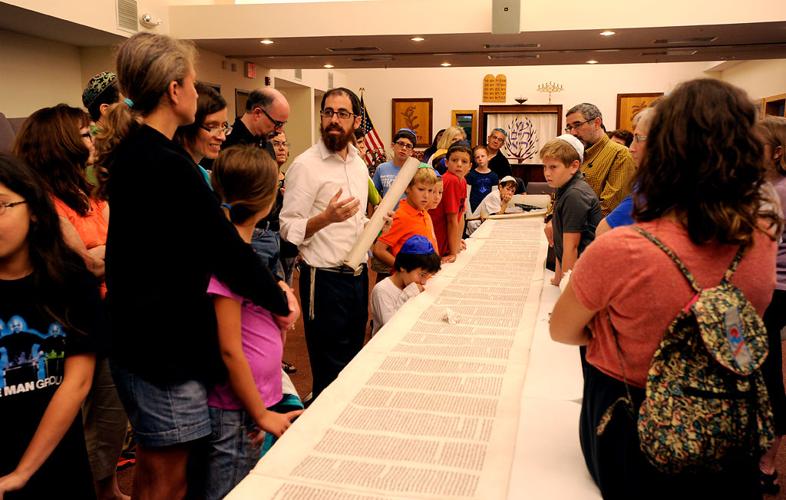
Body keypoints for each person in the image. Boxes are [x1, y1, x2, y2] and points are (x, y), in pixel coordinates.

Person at [550, 78, 780, 499]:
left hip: (633, 412)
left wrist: (617, 331)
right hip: (728, 412)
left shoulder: (623, 247)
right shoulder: (762, 233)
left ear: (662, 151)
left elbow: (563, 330)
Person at [95, 32, 296, 498]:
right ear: (173, 90)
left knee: (157, 468)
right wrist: (277, 298)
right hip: (159, 347)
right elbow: (222, 248)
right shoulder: (164, 161)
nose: (195, 89)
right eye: (191, 80)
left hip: (143, 338)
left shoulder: (144, 151)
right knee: (168, 478)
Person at [13, 105, 128, 500]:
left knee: (112, 416)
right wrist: (109, 253)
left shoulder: (88, 194)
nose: (92, 140)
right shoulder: (41, 201)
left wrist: (104, 253)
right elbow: (88, 267)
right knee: (78, 419)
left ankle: (108, 488)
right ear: (59, 144)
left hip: (108, 315)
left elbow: (107, 255)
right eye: (83, 134)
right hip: (71, 322)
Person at [0, 153, 101, 499]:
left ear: (34, 210)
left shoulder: (70, 282)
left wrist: (21, 473)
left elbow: (78, 381)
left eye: (0, 205)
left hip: (59, 464)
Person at [204, 145, 302, 499]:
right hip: (235, 406)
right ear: (268, 200)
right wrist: (260, 414)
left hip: (252, 400)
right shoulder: (228, 261)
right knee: (230, 490)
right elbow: (230, 349)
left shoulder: (245, 255)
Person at [279, 87, 369, 400]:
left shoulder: (358, 164)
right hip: (324, 281)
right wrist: (325, 219)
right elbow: (287, 228)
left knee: (353, 363)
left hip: (358, 279)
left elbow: (356, 221)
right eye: (328, 112)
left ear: (356, 121)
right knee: (329, 371)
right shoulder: (305, 166)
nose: (333, 119)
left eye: (342, 114)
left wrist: (376, 225)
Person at [756, 116, 786, 494]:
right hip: (760, 288)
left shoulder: (778, 190)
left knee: (764, 374)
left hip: (773, 291)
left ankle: (769, 462)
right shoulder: (763, 186)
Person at [542, 135, 601, 286]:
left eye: (553, 167)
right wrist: (557, 279)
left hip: (583, 277)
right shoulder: (563, 187)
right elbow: (559, 241)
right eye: (545, 167)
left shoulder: (575, 195)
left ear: (574, 166)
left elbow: (571, 248)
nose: (547, 173)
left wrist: (565, 289)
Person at [564, 102, 636, 216]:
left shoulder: (620, 154)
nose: (572, 132)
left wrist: (571, 226)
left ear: (597, 123)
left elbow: (609, 209)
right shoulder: (574, 154)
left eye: (577, 125)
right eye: (569, 127)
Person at [596, 106, 657, 237]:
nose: (631, 149)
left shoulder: (654, 186)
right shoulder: (644, 180)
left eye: (639, 138)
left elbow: (604, 230)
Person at [373, 166, 439, 274]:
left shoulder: (424, 212)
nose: (426, 195)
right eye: (421, 189)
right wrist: (406, 271)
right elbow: (379, 250)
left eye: (430, 190)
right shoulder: (401, 216)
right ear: (408, 188)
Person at [371, 235, 441, 335]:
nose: (424, 282)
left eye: (428, 276)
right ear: (403, 266)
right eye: (422, 275)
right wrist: (407, 295)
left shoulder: (413, 283)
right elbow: (391, 328)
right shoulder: (382, 290)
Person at [175, 82, 230, 186]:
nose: (222, 137)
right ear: (188, 125)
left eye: (223, 126)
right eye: (212, 126)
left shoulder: (202, 174)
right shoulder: (177, 176)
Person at [429, 144, 471, 263]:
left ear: (470, 166)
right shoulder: (451, 180)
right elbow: (451, 220)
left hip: (447, 238)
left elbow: (461, 215)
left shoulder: (462, 180)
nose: (459, 164)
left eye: (464, 161)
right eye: (454, 160)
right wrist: (453, 252)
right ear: (446, 163)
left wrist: (457, 241)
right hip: (438, 236)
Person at [223, 87, 289, 151]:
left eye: (283, 124)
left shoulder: (265, 143)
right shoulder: (229, 146)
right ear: (257, 113)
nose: (280, 131)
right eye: (278, 124)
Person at [372, 128, 417, 198]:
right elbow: (373, 196)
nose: (404, 148)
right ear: (393, 146)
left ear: (412, 152)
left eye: (408, 146)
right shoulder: (381, 168)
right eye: (401, 144)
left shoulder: (417, 171)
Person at [466, 145, 499, 212]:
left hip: (488, 209)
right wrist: (469, 213)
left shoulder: (494, 176)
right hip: (474, 210)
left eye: (483, 156)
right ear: (475, 160)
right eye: (477, 157)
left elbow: (494, 196)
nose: (480, 159)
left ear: (488, 157)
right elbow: (467, 196)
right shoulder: (471, 175)